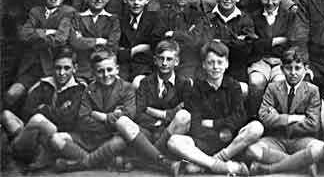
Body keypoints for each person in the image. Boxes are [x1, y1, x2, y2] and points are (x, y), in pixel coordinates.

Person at [167, 41, 261, 175]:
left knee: (256, 127)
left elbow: (240, 117)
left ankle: (212, 162)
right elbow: (195, 124)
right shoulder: (195, 90)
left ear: (227, 64)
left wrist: (213, 123)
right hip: (203, 142)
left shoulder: (234, 86)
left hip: (230, 143)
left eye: (219, 62)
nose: (215, 67)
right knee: (174, 141)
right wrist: (222, 127)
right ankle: (222, 166)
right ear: (204, 65)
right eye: (211, 62)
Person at [0, 46, 86, 172]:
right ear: (52, 68)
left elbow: (69, 120)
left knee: (39, 120)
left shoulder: (79, 89)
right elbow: (26, 112)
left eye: (67, 68)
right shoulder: (43, 84)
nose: (61, 73)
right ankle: (30, 155)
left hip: (55, 137)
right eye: (58, 68)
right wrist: (55, 112)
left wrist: (43, 109)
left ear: (75, 68)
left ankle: (21, 156)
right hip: (34, 136)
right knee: (6, 115)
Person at [51, 47, 135, 172]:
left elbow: (129, 115)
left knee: (121, 141)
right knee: (56, 138)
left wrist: (99, 116)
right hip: (89, 138)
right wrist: (112, 120)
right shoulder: (89, 89)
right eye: (100, 71)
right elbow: (83, 119)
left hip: (112, 138)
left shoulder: (127, 88)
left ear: (117, 69)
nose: (106, 75)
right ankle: (104, 161)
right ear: (94, 73)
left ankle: (78, 165)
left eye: (109, 70)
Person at [246, 47, 324, 175]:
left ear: (306, 69)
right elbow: (264, 118)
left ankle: (270, 169)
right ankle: (300, 164)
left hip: (301, 140)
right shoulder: (273, 88)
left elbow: (313, 124)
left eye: (298, 68)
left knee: (319, 148)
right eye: (289, 68)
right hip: (276, 139)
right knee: (251, 149)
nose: (293, 73)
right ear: (282, 69)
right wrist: (293, 118)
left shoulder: (312, 90)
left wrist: (277, 118)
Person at [6, 0, 74, 108]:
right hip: (32, 66)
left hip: (53, 66)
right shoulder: (35, 11)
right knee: (11, 94)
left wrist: (35, 37)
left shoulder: (68, 12)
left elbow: (60, 39)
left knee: (36, 99)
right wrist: (47, 32)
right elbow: (23, 34)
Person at [133, 40, 193, 175]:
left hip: (172, 132)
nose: (164, 63)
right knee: (131, 129)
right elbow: (138, 112)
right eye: (161, 59)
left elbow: (187, 112)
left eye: (169, 59)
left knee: (184, 116)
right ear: (155, 60)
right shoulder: (145, 82)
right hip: (149, 129)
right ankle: (160, 161)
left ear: (176, 61)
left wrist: (154, 112)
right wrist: (165, 117)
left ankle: (146, 160)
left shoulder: (184, 84)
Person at [190, 0, 256, 82]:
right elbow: (200, 43)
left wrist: (219, 42)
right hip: (210, 69)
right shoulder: (207, 18)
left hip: (236, 68)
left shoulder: (245, 20)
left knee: (242, 89)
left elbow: (246, 49)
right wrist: (235, 41)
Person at [247, 0, 296, 117]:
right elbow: (252, 43)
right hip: (260, 60)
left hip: (281, 61)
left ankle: (276, 119)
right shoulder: (253, 17)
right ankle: (254, 117)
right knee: (256, 82)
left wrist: (264, 42)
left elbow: (291, 41)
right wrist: (276, 41)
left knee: (280, 82)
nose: (270, 3)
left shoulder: (289, 17)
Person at [69, 0, 121, 80]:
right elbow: (75, 42)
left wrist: (85, 41)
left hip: (104, 69)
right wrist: (99, 41)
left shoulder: (113, 19)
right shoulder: (77, 18)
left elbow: (113, 44)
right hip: (82, 68)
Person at [155, 0, 203, 79]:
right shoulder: (164, 13)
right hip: (166, 59)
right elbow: (158, 37)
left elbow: (195, 41)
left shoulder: (197, 16)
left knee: (186, 83)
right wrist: (186, 35)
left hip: (188, 60)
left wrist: (174, 34)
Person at [118, 0, 159, 87]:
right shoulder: (119, 21)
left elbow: (154, 48)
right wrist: (136, 50)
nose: (136, 2)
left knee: (138, 84)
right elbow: (114, 50)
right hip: (122, 67)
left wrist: (125, 51)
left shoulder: (154, 20)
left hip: (145, 67)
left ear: (147, 0)